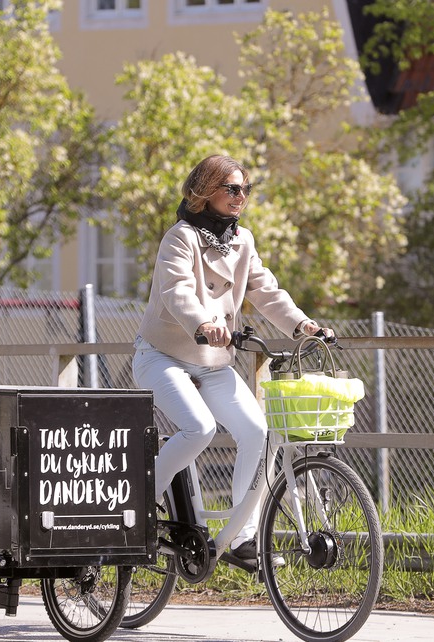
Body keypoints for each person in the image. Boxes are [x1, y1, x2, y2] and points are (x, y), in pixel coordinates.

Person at [132, 154, 333, 565]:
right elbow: (177, 293)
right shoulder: (180, 237)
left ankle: (241, 538)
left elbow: (266, 291)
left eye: (246, 189)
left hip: (212, 361)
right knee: (199, 428)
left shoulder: (243, 241)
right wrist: (205, 322)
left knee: (257, 434)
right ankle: (140, 508)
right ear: (205, 191)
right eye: (233, 188)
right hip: (163, 356)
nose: (241, 196)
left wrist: (303, 325)